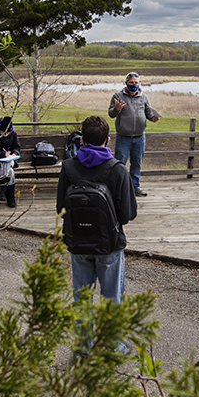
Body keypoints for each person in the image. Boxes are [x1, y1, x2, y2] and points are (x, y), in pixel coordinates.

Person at [56, 115, 137, 307]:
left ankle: (84, 338)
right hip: (109, 243)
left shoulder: (68, 168)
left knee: (82, 303)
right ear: (108, 141)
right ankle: (111, 338)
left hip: (78, 242)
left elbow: (61, 209)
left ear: (82, 140)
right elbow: (128, 214)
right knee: (112, 302)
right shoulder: (117, 170)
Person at [108, 72, 159, 197]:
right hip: (123, 137)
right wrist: (117, 109)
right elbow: (111, 114)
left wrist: (153, 118)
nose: (134, 85)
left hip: (139, 137)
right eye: (131, 83)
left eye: (136, 83)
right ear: (126, 83)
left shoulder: (144, 97)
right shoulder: (118, 96)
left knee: (136, 164)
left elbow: (148, 113)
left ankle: (134, 188)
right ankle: (118, 189)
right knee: (120, 164)